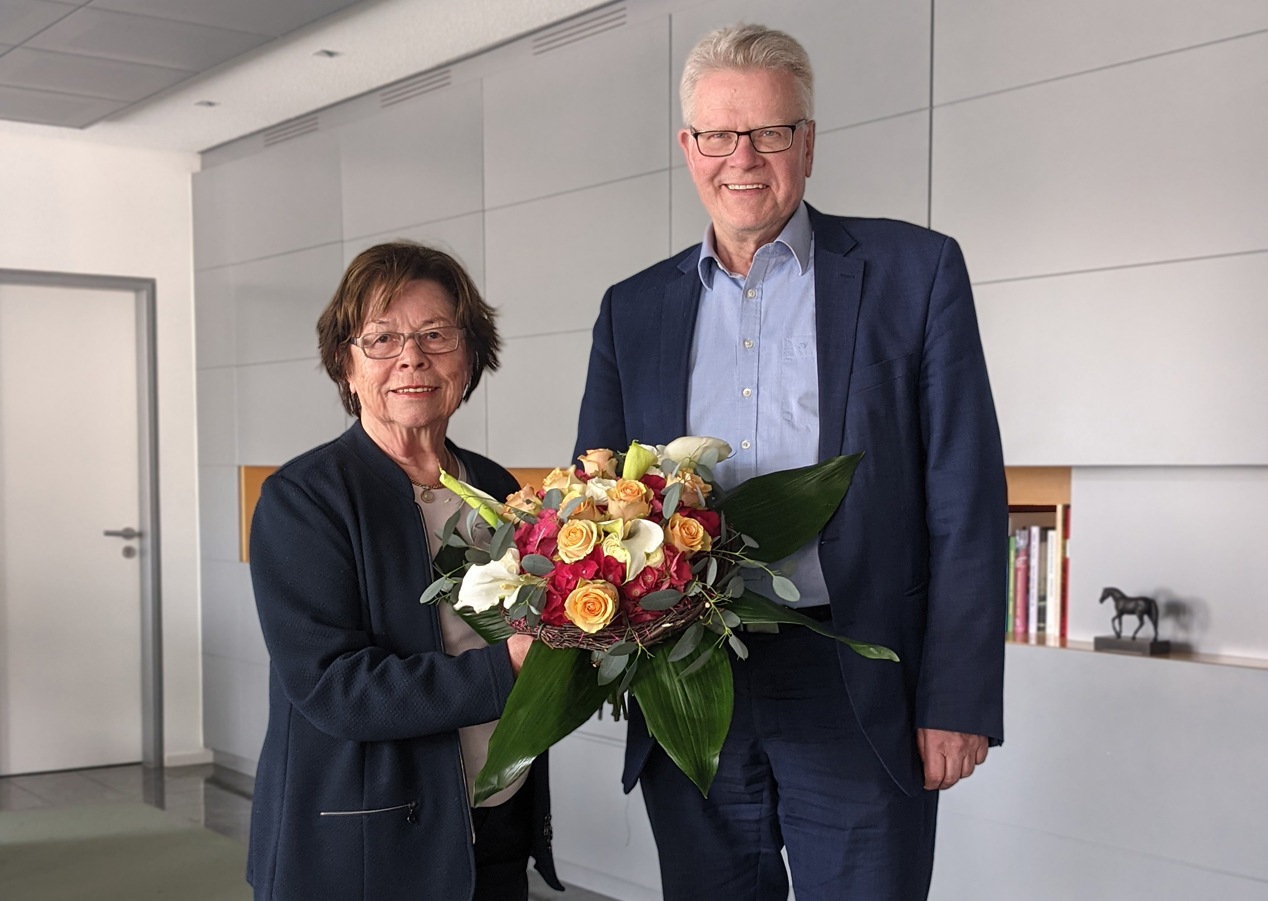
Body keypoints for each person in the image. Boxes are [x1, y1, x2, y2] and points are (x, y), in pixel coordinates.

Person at [573, 23, 1007, 901]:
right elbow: (598, 503)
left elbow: (965, 500)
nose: (744, 158)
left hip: (855, 679)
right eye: (719, 136)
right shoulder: (633, 309)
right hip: (689, 681)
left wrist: (957, 699)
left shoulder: (912, 272)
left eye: (769, 132)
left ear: (806, 142)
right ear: (688, 147)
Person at [247, 243, 560, 901]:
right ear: (346, 363)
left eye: (434, 334)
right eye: (381, 338)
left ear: (470, 355)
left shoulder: (497, 486)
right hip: (368, 844)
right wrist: (510, 666)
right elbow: (335, 685)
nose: (411, 357)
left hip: (495, 821)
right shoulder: (305, 498)